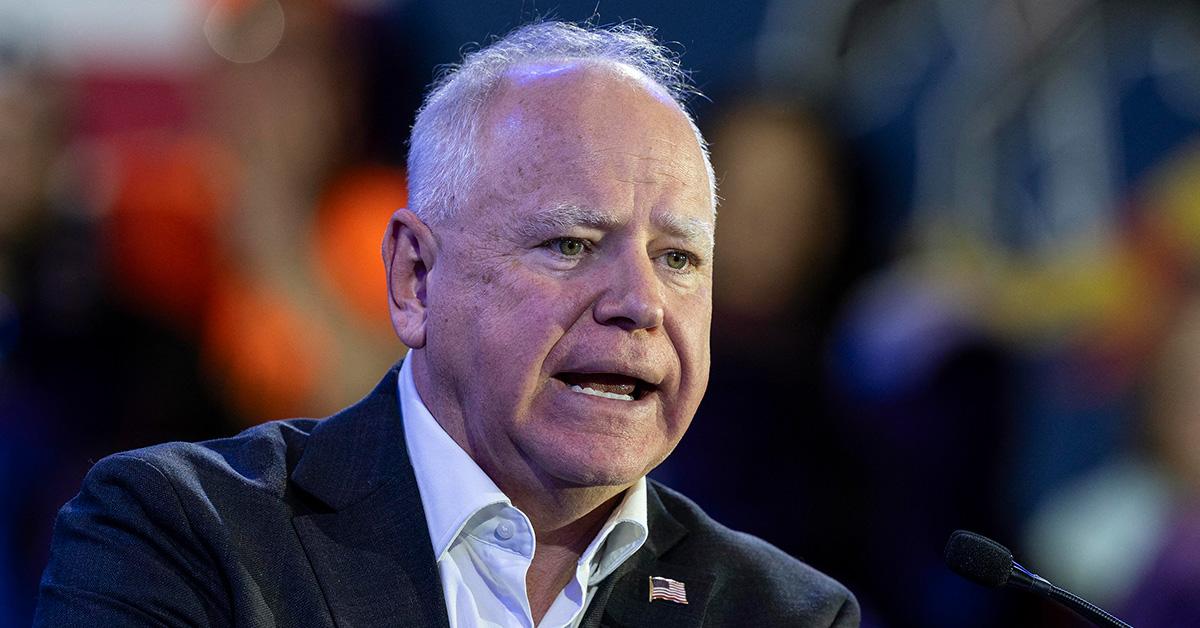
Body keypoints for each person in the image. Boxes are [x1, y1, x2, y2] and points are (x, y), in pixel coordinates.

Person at [34, 21, 859, 627]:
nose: (640, 303)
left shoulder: (785, 615)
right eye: (571, 243)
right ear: (415, 278)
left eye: (678, 259)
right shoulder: (180, 535)